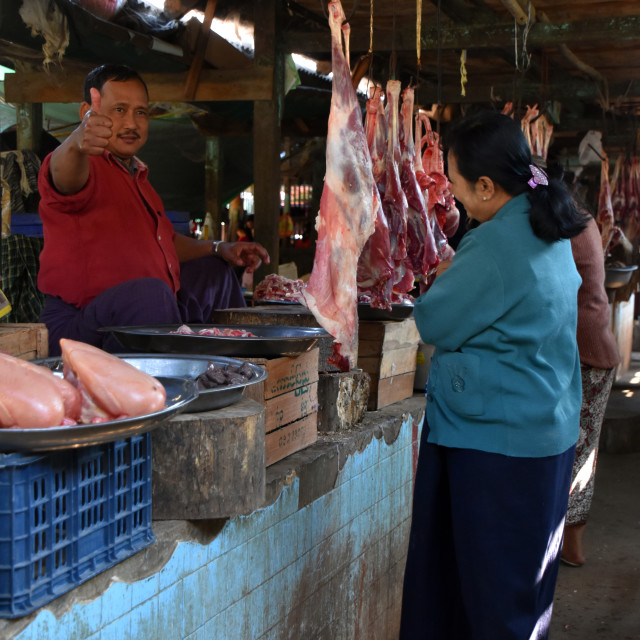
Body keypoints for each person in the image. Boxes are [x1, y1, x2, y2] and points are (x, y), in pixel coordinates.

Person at [399, 111, 590, 639]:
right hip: (541, 432)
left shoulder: (496, 244)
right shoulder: (544, 223)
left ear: (486, 186)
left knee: (489, 598)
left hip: (497, 446)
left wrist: (440, 282)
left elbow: (435, 320)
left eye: (457, 188)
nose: (456, 199)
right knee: (520, 593)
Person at [37, 64, 269, 356]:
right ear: (86, 110)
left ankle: (237, 364)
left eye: (141, 112)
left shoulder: (138, 177)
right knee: (151, 293)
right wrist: (75, 143)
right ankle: (168, 389)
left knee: (214, 272)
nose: (131, 123)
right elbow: (63, 176)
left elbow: (165, 244)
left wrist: (219, 247)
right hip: (79, 330)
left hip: (144, 317)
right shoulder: (83, 164)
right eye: (119, 109)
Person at [562, 209, 620, 567]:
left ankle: (572, 547)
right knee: (579, 449)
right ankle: (567, 545)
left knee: (580, 451)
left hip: (589, 356)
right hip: (587, 350)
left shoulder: (562, 224)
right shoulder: (579, 218)